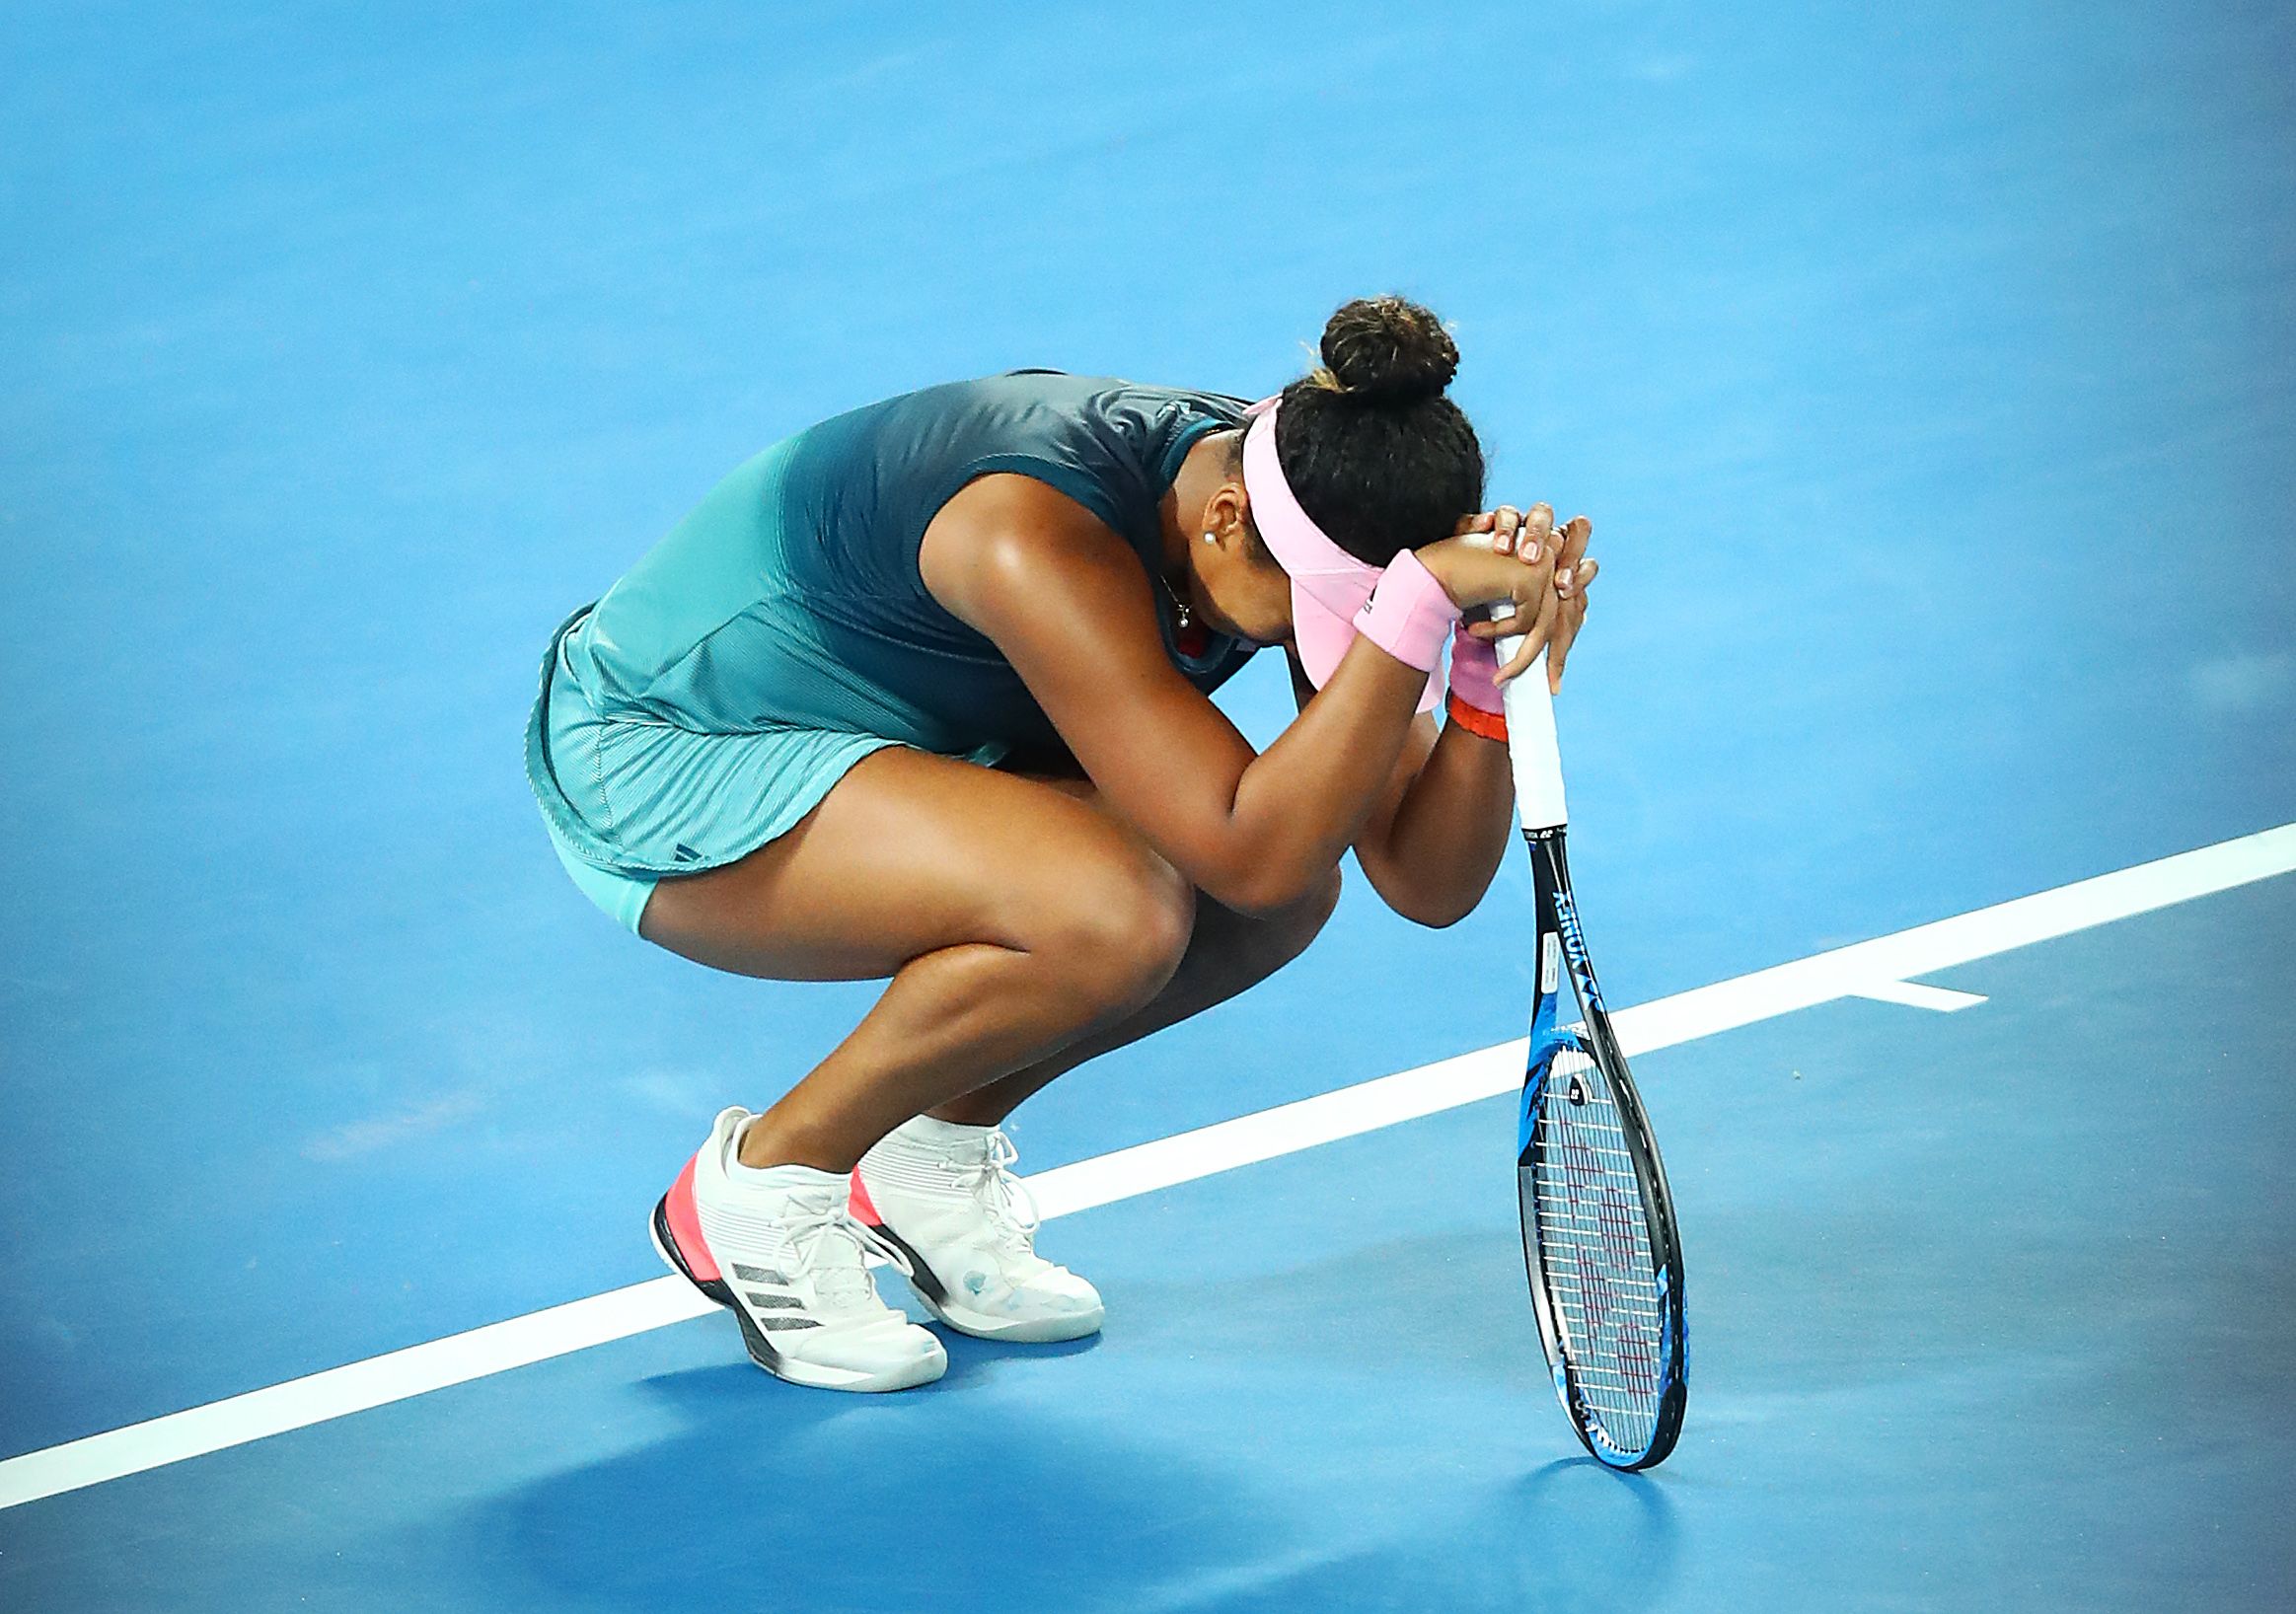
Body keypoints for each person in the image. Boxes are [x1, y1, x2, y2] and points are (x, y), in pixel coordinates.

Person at [523, 295, 1597, 1391]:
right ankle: (760, 1184)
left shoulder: (1299, 500)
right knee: (1107, 908)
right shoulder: (1029, 530)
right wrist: (1408, 615)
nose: (1323, 638)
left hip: (904, 731)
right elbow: (1249, 845)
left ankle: (925, 1157)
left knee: (1273, 893)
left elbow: (1418, 877)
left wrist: (1479, 694)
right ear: (1225, 518)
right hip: (661, 747)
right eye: (1336, 612)